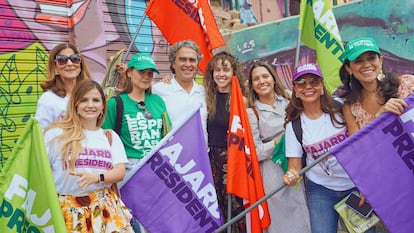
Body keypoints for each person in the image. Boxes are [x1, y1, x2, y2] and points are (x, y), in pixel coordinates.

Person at [282, 63, 373, 233]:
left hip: (353, 184)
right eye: (301, 83)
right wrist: (290, 175)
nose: (308, 87)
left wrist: (365, 184)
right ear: (295, 89)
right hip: (320, 189)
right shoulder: (294, 125)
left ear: (322, 85)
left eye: (314, 81)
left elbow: (362, 145)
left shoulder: (341, 108)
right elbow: (294, 166)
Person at [339, 37, 414, 233]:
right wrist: (380, 117)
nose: (366, 65)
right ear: (349, 68)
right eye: (358, 61)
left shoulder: (407, 85)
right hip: (394, 184)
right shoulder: (350, 106)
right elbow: (360, 151)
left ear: (380, 60)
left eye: (371, 57)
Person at [43, 80, 133, 232]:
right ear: (75, 104)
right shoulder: (55, 134)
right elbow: (40, 171)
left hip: (105, 210)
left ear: (103, 105)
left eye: (96, 100)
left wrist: (97, 177)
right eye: (84, 100)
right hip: (65, 212)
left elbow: (120, 172)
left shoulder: (109, 136)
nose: (90, 105)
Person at [102, 53, 170, 233]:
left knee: (157, 223)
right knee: (136, 224)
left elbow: (167, 135)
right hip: (130, 173)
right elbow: (105, 141)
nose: (146, 77)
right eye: (142, 72)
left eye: (150, 73)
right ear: (129, 73)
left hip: (157, 171)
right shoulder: (115, 103)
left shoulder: (158, 101)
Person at [246, 61, 311, 233]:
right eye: (256, 79)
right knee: (283, 222)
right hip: (273, 173)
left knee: (307, 215)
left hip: (301, 165)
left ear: (273, 79)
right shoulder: (252, 112)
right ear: (252, 85)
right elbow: (256, 152)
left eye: (265, 76)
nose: (262, 81)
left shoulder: (291, 99)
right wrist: (277, 141)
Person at [203, 51, 247, 233]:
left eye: (226, 69)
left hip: (235, 160)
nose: (221, 74)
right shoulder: (206, 99)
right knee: (218, 207)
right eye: (217, 70)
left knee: (237, 208)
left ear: (234, 72)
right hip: (212, 160)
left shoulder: (241, 100)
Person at [152, 40, 208, 144]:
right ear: (173, 63)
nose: (188, 64)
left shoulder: (205, 92)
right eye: (182, 59)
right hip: (171, 157)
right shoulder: (159, 90)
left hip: (201, 157)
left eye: (192, 60)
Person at [35, 43, 92, 129]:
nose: (69, 63)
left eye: (74, 59)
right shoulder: (48, 99)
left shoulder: (90, 94)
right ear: (55, 67)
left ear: (80, 64)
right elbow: (41, 135)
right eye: (62, 60)